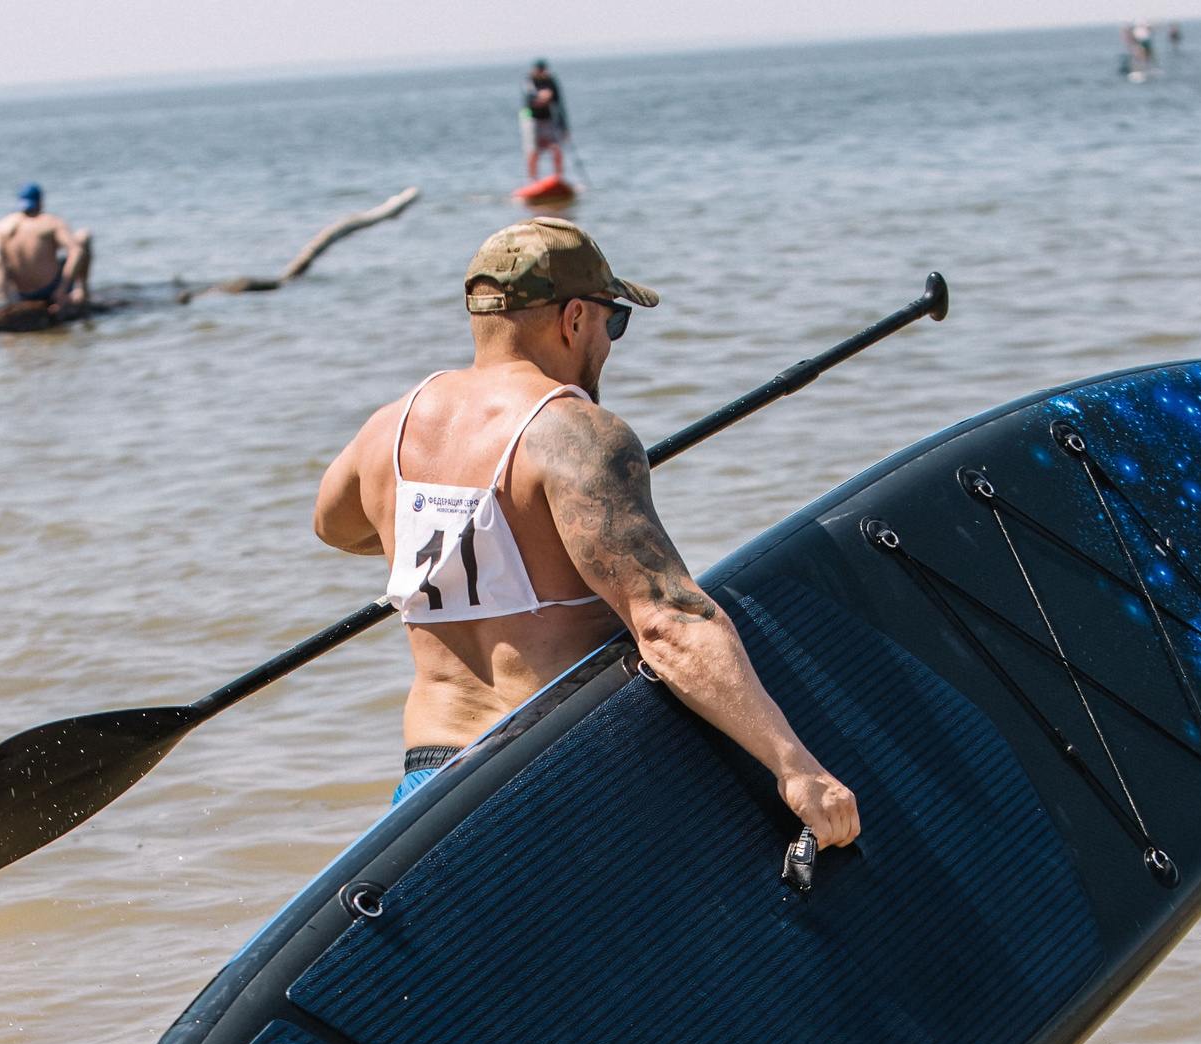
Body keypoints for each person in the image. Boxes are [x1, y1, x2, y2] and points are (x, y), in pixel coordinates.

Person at [311, 216, 860, 848]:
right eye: (613, 320)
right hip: (548, 779)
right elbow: (668, 623)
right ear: (574, 317)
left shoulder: (391, 428)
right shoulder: (575, 431)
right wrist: (797, 769)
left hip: (427, 785)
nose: (610, 340)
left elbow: (335, 526)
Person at [0, 184, 93, 310]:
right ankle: (82, 292)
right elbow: (76, 251)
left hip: (22, 295)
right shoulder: (49, 222)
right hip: (51, 289)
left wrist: (9, 300)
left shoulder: (1, 227)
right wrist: (62, 289)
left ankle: (12, 301)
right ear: (40, 202)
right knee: (83, 236)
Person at [520, 60, 568, 182]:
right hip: (531, 118)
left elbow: (559, 104)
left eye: (543, 69)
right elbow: (530, 97)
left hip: (548, 118)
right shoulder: (529, 81)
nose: (541, 72)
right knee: (533, 150)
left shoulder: (551, 82)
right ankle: (532, 179)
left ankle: (559, 177)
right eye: (539, 69)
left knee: (556, 148)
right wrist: (541, 96)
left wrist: (564, 128)